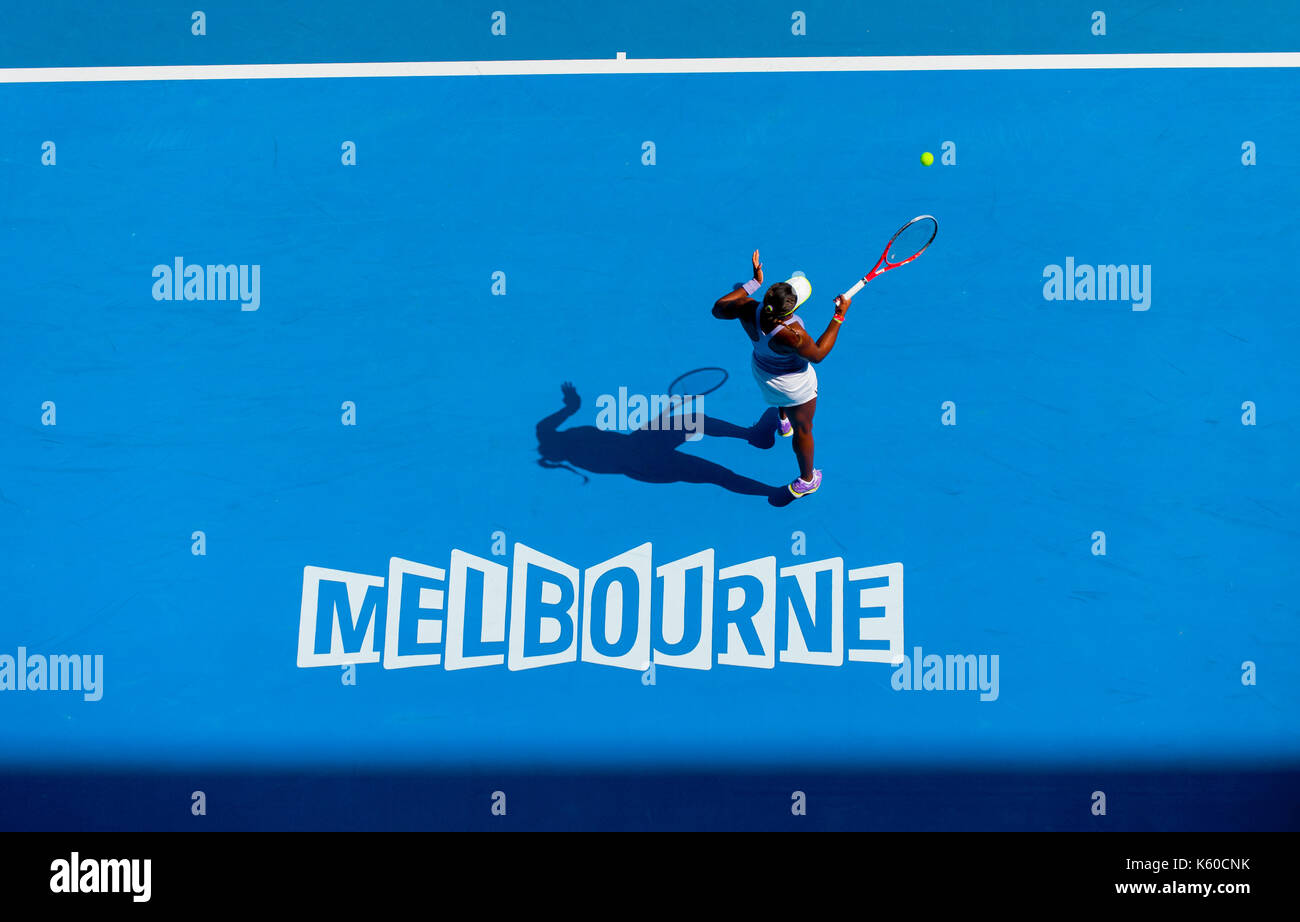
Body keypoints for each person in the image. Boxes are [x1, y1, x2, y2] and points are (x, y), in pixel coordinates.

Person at [712, 249, 850, 497]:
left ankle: (783, 421)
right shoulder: (793, 334)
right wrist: (839, 315)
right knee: (805, 429)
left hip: (763, 373)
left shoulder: (747, 307)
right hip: (794, 386)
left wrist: (753, 283)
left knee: (780, 398)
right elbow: (818, 355)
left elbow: (718, 308)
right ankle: (807, 480)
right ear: (790, 311)